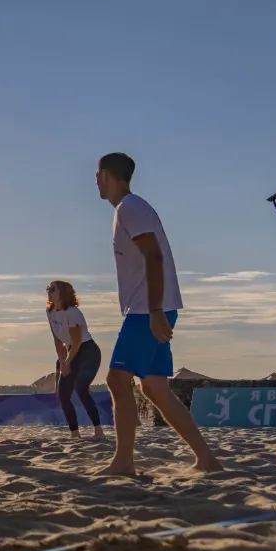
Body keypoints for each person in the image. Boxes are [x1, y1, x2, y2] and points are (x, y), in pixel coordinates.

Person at [95, 152, 221, 475]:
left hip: (147, 310)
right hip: (152, 308)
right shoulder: (128, 209)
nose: (95, 181)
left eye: (97, 175)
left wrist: (153, 311)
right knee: (154, 387)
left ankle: (123, 463)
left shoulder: (130, 207)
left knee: (116, 380)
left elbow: (153, 257)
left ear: (108, 175)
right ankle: (206, 460)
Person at [46, 280, 105, 440]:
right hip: (70, 350)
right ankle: (75, 433)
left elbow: (77, 341)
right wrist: (62, 360)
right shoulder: (50, 311)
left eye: (52, 289)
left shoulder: (73, 312)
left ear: (63, 293)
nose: (49, 291)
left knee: (81, 389)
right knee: (62, 394)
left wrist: (67, 362)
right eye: (48, 289)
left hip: (87, 351)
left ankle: (98, 430)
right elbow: (57, 340)